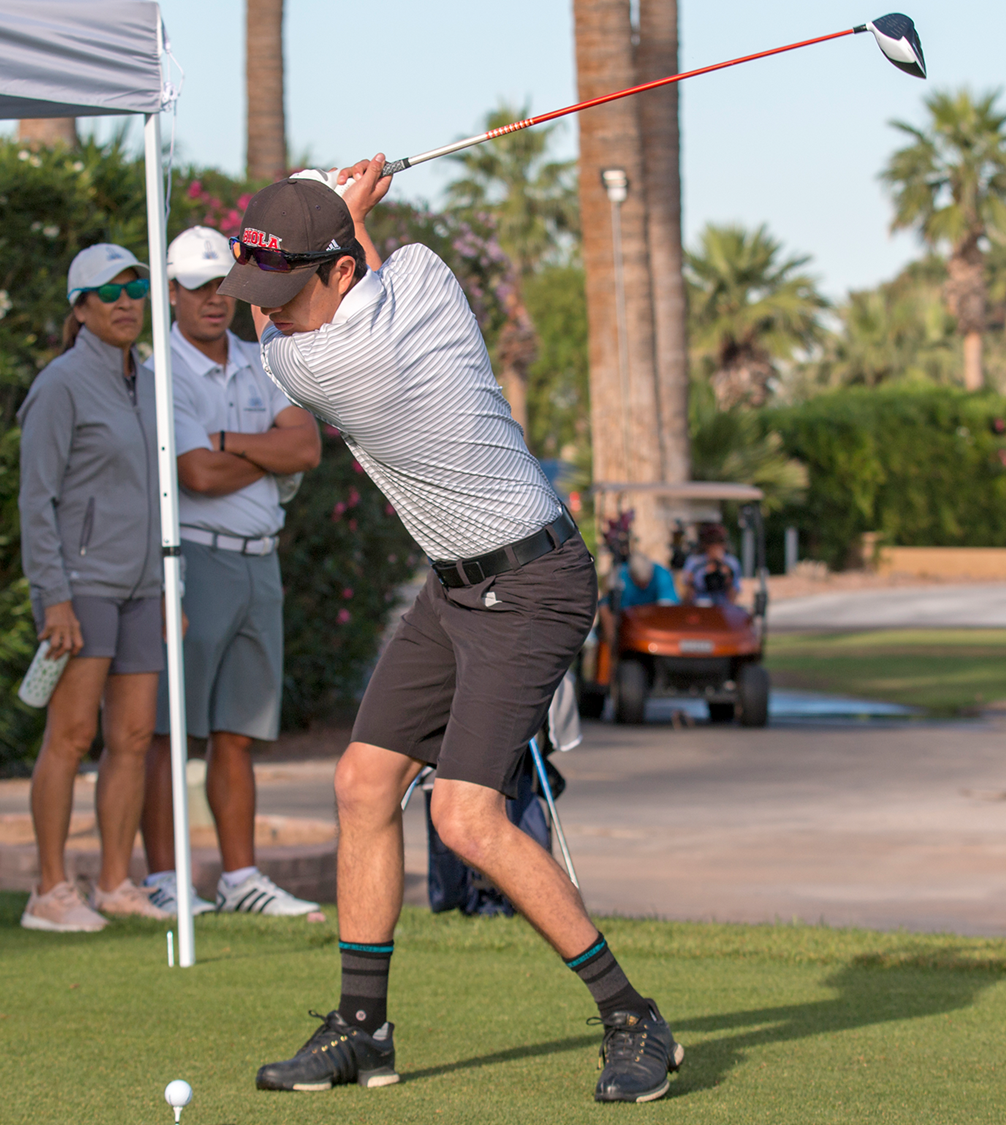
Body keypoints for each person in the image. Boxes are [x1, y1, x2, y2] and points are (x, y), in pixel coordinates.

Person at [221, 161, 683, 1104]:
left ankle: (633, 1016)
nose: (270, 313)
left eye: (285, 294)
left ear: (339, 273)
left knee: (464, 816)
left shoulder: (323, 364)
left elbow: (288, 330)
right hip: (457, 584)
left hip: (536, 583)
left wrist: (340, 202)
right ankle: (362, 1030)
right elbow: (367, 268)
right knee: (362, 783)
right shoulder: (428, 277)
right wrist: (345, 215)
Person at [139, 226, 324, 918]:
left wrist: (226, 442)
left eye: (221, 285)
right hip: (194, 558)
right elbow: (198, 474)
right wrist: (261, 451)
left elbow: (306, 448)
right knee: (171, 733)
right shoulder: (160, 373)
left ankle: (240, 877)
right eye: (196, 287)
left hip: (259, 562)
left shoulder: (261, 357)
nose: (212, 299)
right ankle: (165, 878)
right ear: (172, 293)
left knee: (237, 734)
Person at [14, 243, 168, 931]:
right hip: (81, 589)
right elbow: (36, 499)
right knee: (71, 735)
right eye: (109, 292)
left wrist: (169, 587)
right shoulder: (61, 384)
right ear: (80, 309)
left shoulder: (153, 381)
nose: (126, 301)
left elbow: (161, 494)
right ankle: (49, 891)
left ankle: (113, 882)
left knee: (132, 736)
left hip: (143, 587)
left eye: (134, 287)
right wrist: (54, 595)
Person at [684, 524, 737, 605]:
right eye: (711, 541)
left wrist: (727, 575)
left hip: (723, 607)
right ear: (704, 543)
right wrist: (703, 573)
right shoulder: (694, 562)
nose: (715, 545)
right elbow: (688, 596)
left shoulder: (731, 563)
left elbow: (733, 597)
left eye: (719, 541)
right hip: (700, 605)